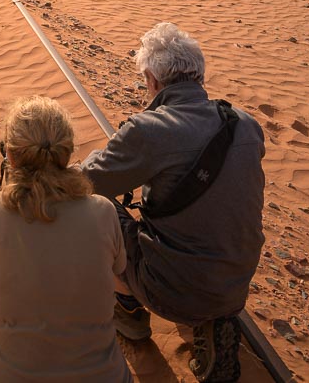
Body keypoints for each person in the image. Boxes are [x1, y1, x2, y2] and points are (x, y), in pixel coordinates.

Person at [81, 23, 265, 382]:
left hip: (172, 291)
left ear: (152, 79)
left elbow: (86, 182)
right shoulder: (246, 124)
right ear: (198, 74)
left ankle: (130, 310)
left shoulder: (149, 129)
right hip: (235, 283)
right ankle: (211, 317)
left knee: (93, 210)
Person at [0, 96, 132, 383]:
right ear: (67, 153)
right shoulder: (103, 210)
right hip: (106, 376)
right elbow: (116, 277)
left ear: (10, 155)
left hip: (10, 376)